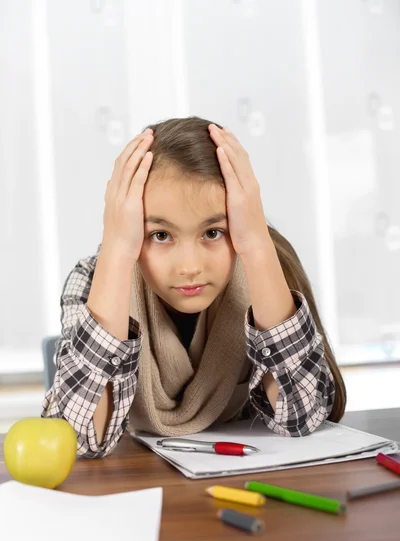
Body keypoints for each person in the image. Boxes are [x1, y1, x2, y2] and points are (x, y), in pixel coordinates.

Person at [41, 116, 346, 458]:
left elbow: (305, 415)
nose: (189, 267)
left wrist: (258, 246)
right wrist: (116, 250)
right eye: (160, 235)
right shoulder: (93, 280)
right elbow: (74, 438)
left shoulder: (267, 268)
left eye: (212, 233)